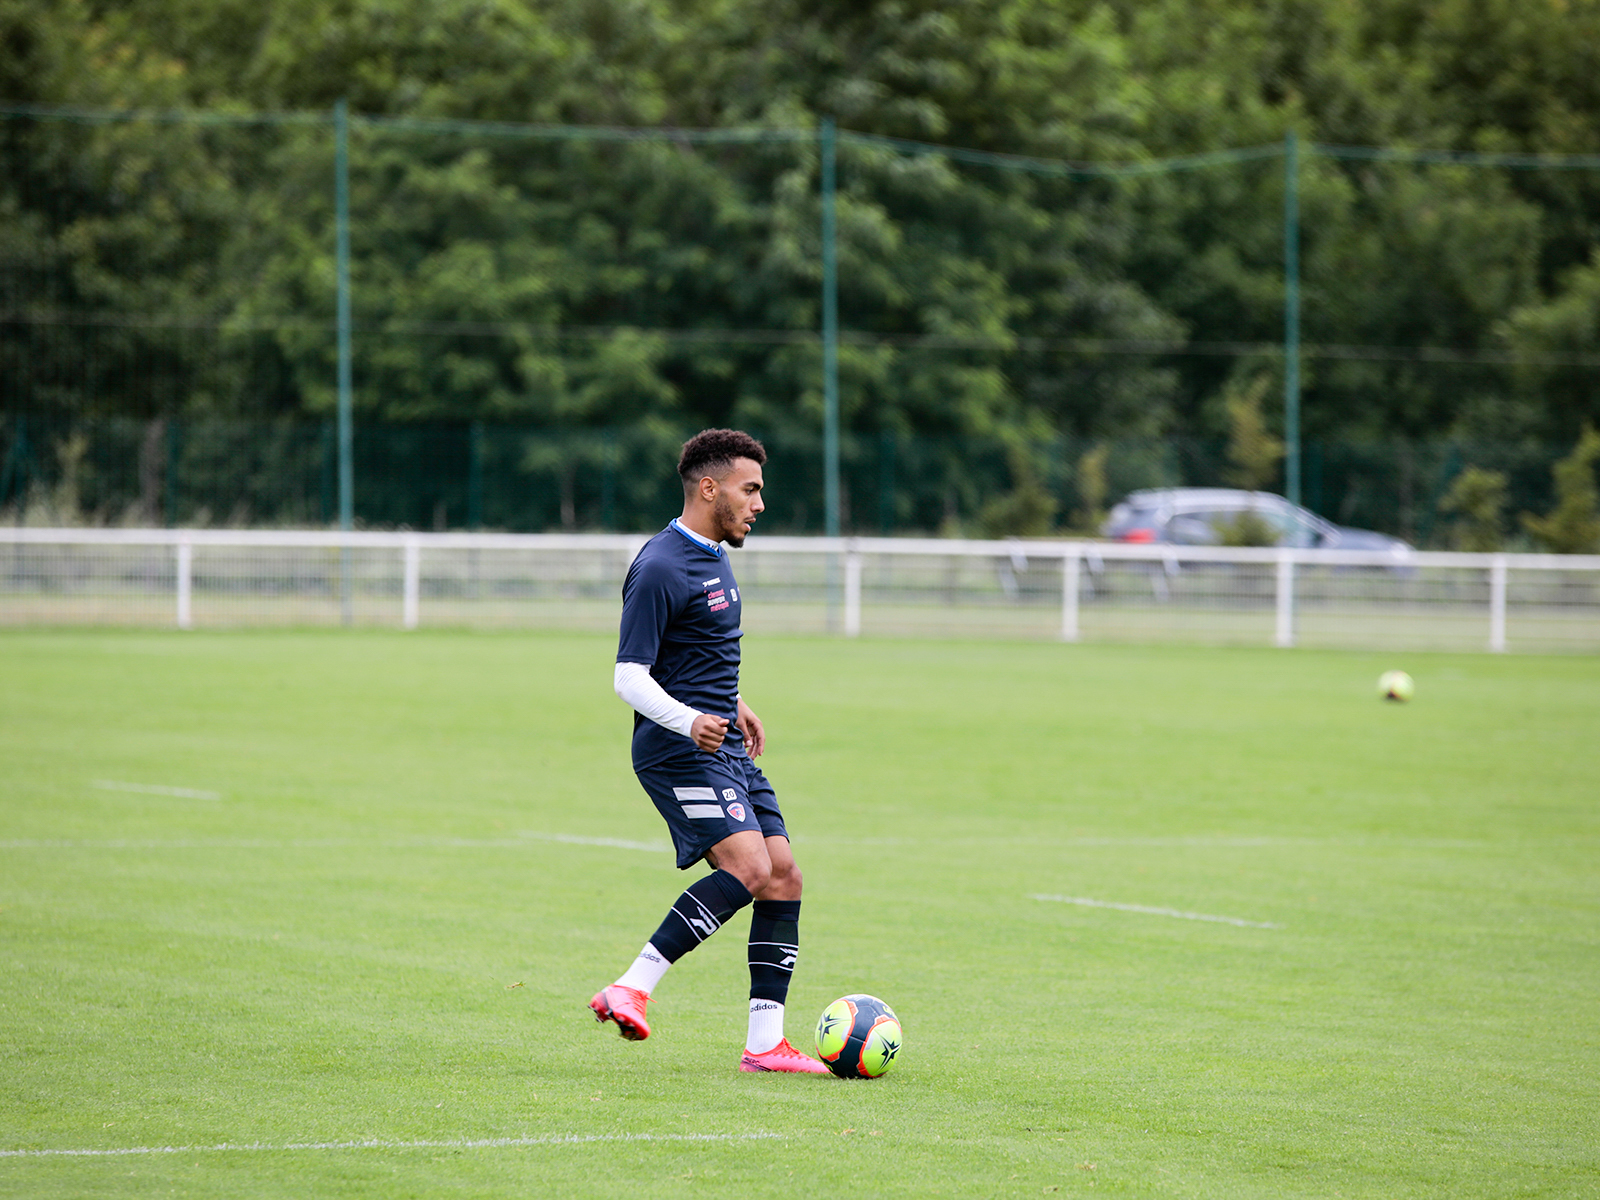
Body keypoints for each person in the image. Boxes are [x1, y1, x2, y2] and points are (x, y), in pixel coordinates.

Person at [590, 428, 828, 1074]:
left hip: (721, 741)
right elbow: (629, 676)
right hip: (678, 749)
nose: (759, 503)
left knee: (783, 876)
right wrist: (693, 718)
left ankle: (764, 1044)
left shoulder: (715, 556)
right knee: (750, 869)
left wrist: (734, 699)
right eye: (750, 490)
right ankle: (631, 986)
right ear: (708, 487)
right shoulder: (662, 565)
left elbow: (694, 654)